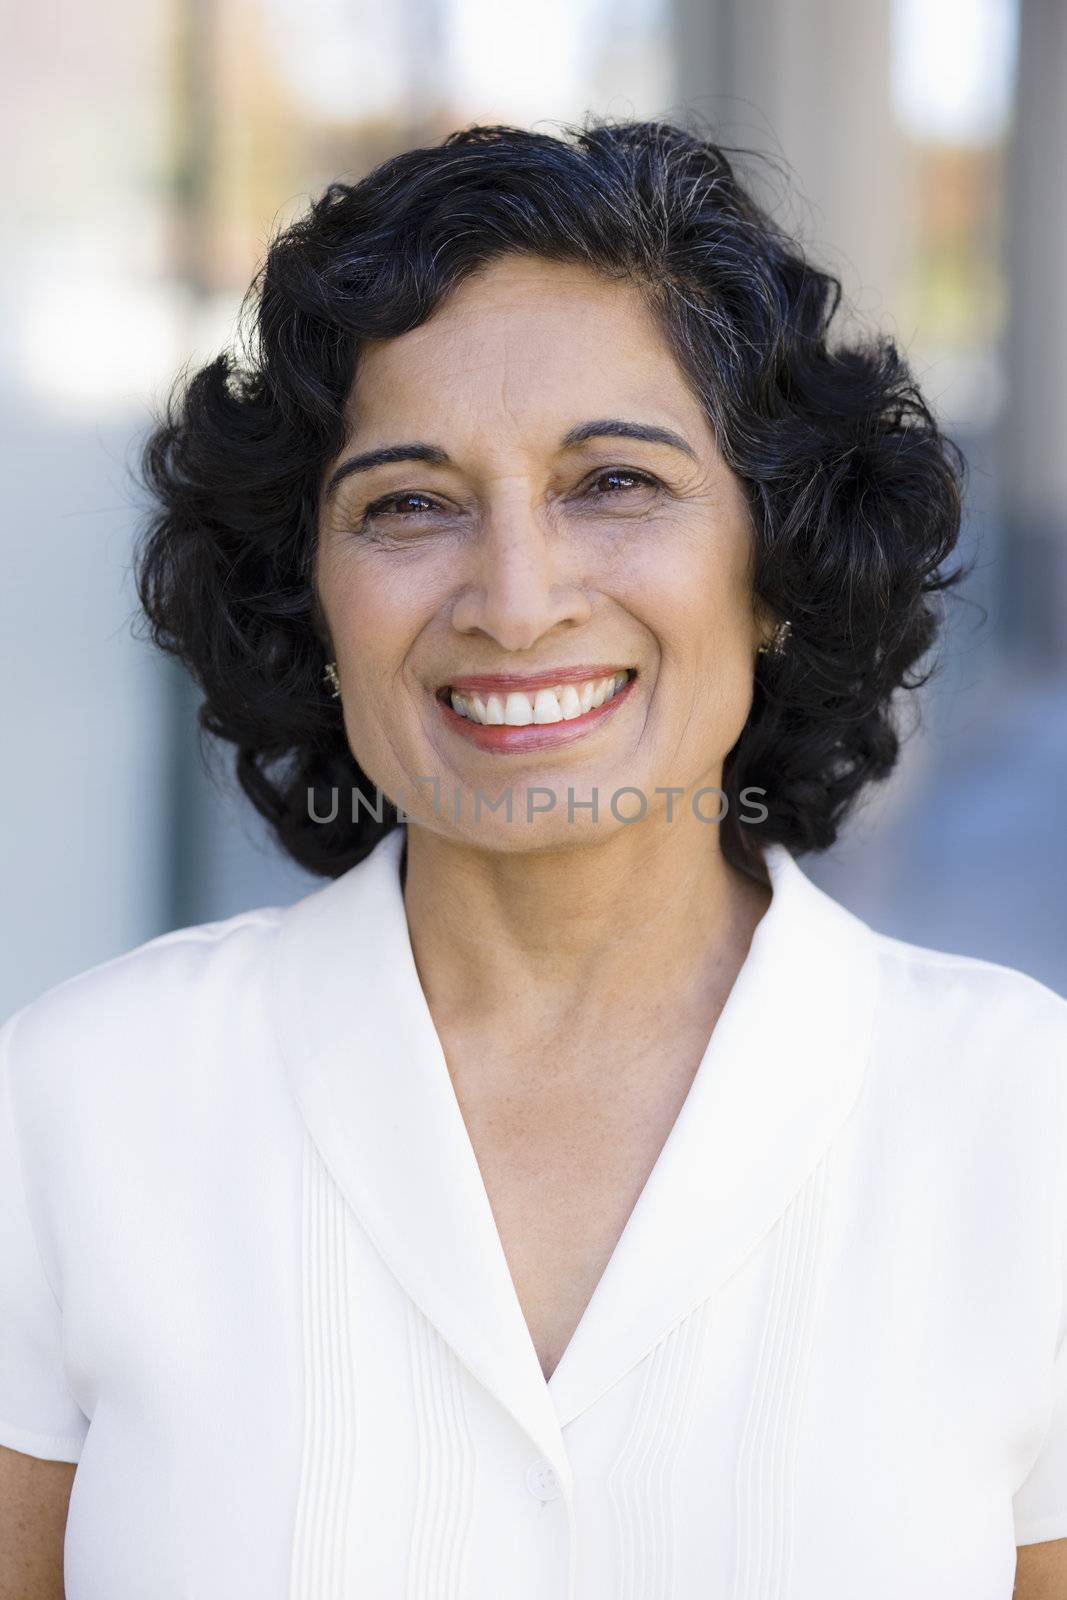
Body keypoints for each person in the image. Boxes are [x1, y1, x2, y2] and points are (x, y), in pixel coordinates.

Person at [1, 118, 1065, 1600]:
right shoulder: (71, 1106)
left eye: (612, 481)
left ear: (773, 562)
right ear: (309, 598)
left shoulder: (1027, 1121)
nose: (513, 599)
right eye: (409, 504)